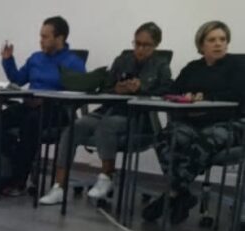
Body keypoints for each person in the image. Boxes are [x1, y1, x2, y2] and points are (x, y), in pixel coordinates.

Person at [39, 22, 172, 205]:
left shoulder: (161, 66)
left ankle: (106, 177)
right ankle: (59, 187)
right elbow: (105, 88)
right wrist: (117, 89)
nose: (140, 49)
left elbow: (167, 92)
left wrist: (142, 89)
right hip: (109, 109)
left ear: (156, 45)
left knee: (107, 126)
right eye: (137, 43)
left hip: (138, 116)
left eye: (146, 45)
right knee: (74, 127)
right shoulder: (122, 61)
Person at [142, 20, 245, 224]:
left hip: (231, 123)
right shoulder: (192, 68)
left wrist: (205, 97)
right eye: (212, 40)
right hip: (195, 122)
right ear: (201, 44)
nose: (218, 44)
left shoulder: (239, 65)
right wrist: (185, 96)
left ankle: (172, 193)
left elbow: (238, 95)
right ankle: (183, 195)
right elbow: (173, 91)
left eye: (223, 39)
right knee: (165, 137)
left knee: (205, 139)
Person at [0, 16, 86, 197]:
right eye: (40, 36)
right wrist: (8, 60)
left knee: (30, 123)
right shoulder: (36, 58)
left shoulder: (73, 63)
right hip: (30, 105)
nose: (41, 41)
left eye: (45, 37)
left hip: (56, 110)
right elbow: (18, 80)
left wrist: (48, 100)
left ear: (60, 38)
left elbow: (80, 94)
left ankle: (19, 181)